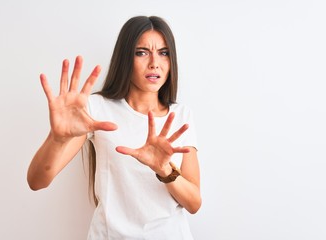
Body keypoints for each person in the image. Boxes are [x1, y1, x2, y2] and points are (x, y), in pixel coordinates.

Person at [27, 15, 201, 239]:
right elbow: (37, 181)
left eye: (163, 52)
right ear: (125, 58)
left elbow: (194, 203)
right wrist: (57, 139)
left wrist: (165, 171)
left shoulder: (181, 116)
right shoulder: (96, 109)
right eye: (142, 52)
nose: (154, 63)